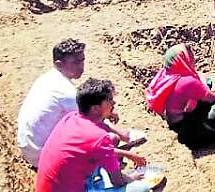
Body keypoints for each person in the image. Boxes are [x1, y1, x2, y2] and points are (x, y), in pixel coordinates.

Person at [17, 39, 138, 168]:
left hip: (30, 148)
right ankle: (100, 169)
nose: (81, 66)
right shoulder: (66, 92)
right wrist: (122, 134)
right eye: (75, 62)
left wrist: (107, 113)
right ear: (59, 63)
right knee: (111, 138)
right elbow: (92, 124)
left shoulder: (48, 78)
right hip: (42, 156)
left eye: (82, 60)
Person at [35, 79, 159, 192]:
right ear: (95, 108)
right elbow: (118, 182)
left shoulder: (71, 117)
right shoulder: (99, 138)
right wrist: (133, 180)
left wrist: (128, 154)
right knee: (142, 189)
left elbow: (97, 145)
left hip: (50, 186)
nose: (113, 102)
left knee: (113, 139)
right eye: (109, 100)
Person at [144, 44, 215, 148]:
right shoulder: (188, 82)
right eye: (191, 57)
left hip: (175, 123)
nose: (193, 60)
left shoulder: (167, 75)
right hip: (188, 132)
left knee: (206, 82)